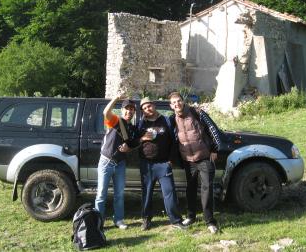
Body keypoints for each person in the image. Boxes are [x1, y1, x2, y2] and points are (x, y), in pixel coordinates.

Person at [168, 91, 224, 234]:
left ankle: (210, 221)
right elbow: (171, 139)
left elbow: (213, 129)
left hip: (205, 157)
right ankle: (191, 216)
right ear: (171, 106)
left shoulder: (197, 112)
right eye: (174, 102)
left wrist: (215, 149)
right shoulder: (172, 119)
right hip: (188, 161)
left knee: (207, 189)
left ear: (183, 101)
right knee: (190, 189)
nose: (177, 104)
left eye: (179, 101)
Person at [136, 97, 186, 231]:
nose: (148, 109)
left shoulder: (166, 120)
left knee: (169, 192)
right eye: (145, 108)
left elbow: (174, 141)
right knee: (146, 193)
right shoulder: (141, 123)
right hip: (146, 164)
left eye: (149, 106)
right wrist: (142, 138)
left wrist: (170, 159)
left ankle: (176, 220)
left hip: (163, 163)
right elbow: (134, 140)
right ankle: (146, 219)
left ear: (154, 105)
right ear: (143, 111)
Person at [94, 95, 136, 230]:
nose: (129, 112)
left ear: (134, 112)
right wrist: (116, 98)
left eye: (132, 110)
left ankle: (118, 220)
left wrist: (128, 148)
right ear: (122, 110)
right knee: (101, 194)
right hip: (106, 162)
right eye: (126, 109)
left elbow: (132, 145)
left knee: (119, 194)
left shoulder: (132, 128)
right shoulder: (115, 120)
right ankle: (98, 223)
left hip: (120, 164)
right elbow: (105, 112)